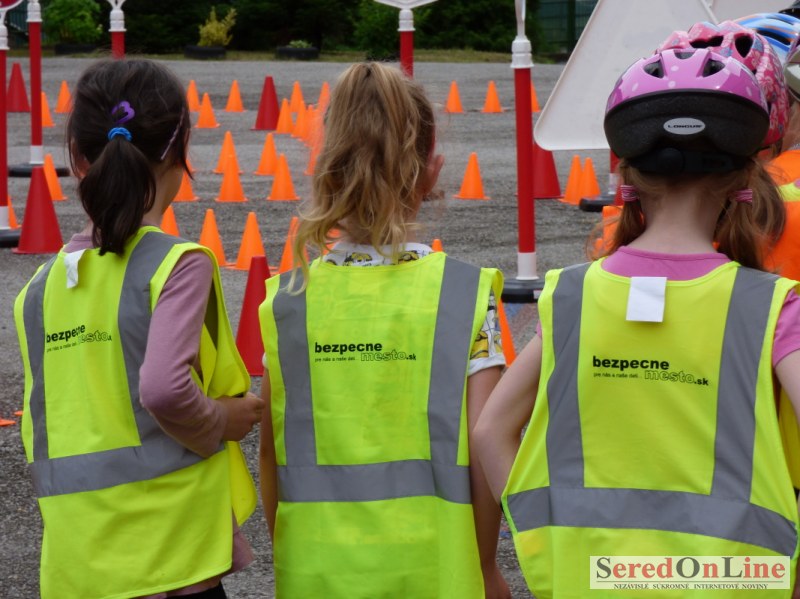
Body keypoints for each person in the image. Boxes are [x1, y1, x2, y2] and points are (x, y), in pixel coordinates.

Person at [475, 46, 800, 598]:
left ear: (625, 173)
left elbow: (490, 431)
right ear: (745, 176)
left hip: (587, 579)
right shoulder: (770, 307)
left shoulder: (571, 297)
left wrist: (543, 541)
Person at [13, 59, 264, 599]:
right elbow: (163, 389)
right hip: (170, 551)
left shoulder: (37, 289)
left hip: (79, 558)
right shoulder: (178, 264)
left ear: (78, 158)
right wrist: (221, 419)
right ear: (180, 151)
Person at [257, 62, 509, 598]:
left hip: (316, 576)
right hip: (438, 574)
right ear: (431, 172)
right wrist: (486, 566)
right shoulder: (461, 294)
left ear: (327, 168)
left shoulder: (287, 303)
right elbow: (485, 450)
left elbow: (273, 457)